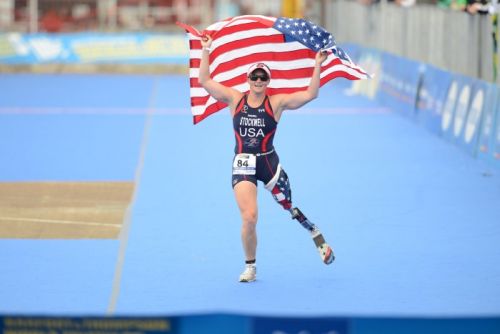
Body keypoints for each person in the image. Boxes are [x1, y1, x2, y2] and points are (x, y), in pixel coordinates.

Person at [198, 35, 335, 283]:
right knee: (250, 217)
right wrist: (206, 49)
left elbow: (310, 94)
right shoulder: (235, 98)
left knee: (287, 205)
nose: (259, 81)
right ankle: (250, 266)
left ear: (268, 81)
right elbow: (204, 80)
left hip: (268, 162)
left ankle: (312, 228)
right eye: (255, 77)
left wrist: (318, 65)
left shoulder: (277, 102)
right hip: (243, 163)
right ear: (248, 80)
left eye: (263, 77)